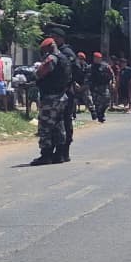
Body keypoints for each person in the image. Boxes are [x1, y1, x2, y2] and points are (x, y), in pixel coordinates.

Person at [31, 37, 70, 166]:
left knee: (45, 126)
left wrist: (35, 74)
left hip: (51, 98)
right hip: (61, 96)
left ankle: (46, 155)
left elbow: (40, 73)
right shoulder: (64, 59)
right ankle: (59, 154)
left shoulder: (52, 59)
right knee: (59, 125)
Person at [49, 28, 79, 163]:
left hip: (66, 91)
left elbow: (76, 69)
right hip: (61, 91)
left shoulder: (66, 53)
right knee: (58, 121)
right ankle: (60, 152)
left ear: (60, 38)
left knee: (64, 121)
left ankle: (63, 152)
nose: (52, 40)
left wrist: (70, 83)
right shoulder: (58, 52)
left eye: (54, 37)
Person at [88, 52, 113, 122]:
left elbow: (111, 74)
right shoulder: (90, 67)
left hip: (104, 86)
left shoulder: (105, 66)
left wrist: (112, 82)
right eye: (96, 58)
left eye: (99, 58)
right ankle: (100, 116)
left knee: (107, 101)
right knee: (96, 103)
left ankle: (102, 112)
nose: (97, 59)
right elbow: (87, 77)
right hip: (95, 87)